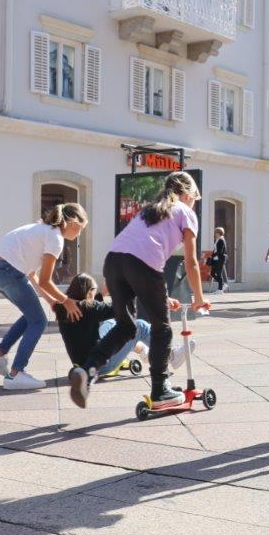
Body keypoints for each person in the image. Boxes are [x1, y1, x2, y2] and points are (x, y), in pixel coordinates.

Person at [67, 172, 208, 408]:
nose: (194, 202)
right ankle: (160, 389)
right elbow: (191, 260)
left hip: (114, 263)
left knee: (126, 327)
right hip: (141, 265)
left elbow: (140, 250)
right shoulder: (185, 212)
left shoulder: (149, 210)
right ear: (186, 194)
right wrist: (199, 299)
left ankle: (88, 370)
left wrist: (162, 295)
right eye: (195, 197)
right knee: (162, 329)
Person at [0, 203, 88, 390]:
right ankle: (15, 374)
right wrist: (66, 301)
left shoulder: (42, 230)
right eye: (81, 228)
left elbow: (33, 275)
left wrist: (51, 301)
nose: (79, 234)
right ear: (72, 222)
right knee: (38, 321)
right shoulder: (56, 238)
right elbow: (46, 281)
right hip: (8, 271)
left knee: (31, 315)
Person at [52, 273, 172, 378]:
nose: (94, 295)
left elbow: (93, 310)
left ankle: (144, 352)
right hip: (99, 364)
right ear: (88, 292)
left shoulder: (62, 308)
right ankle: (170, 355)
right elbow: (121, 309)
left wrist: (103, 292)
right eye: (94, 291)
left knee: (111, 323)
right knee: (140, 326)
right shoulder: (91, 308)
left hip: (79, 363)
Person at [211, 227, 228, 293]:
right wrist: (212, 256)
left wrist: (213, 256)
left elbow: (219, 251)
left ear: (219, 233)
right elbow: (215, 250)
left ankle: (220, 289)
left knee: (218, 274)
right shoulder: (218, 240)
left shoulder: (221, 240)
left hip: (220, 259)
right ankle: (223, 284)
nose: (215, 234)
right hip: (216, 259)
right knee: (212, 273)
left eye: (216, 233)